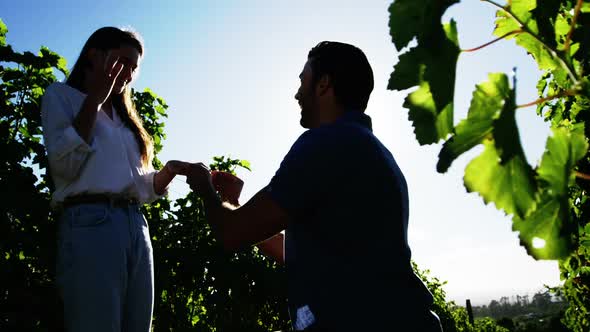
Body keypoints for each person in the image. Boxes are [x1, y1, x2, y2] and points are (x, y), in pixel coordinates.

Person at [185, 41, 443, 331]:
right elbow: (296, 253)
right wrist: (237, 204)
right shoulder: (369, 149)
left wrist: (205, 188)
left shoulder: (325, 144)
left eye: (302, 81)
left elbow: (231, 233)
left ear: (323, 84)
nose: (297, 93)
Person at [40, 27, 189, 332]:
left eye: (134, 68)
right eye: (124, 62)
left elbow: (141, 187)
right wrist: (94, 99)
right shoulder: (61, 96)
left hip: (136, 225)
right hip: (91, 222)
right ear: (95, 56)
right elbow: (64, 166)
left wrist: (169, 171)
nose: (129, 74)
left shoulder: (125, 118)